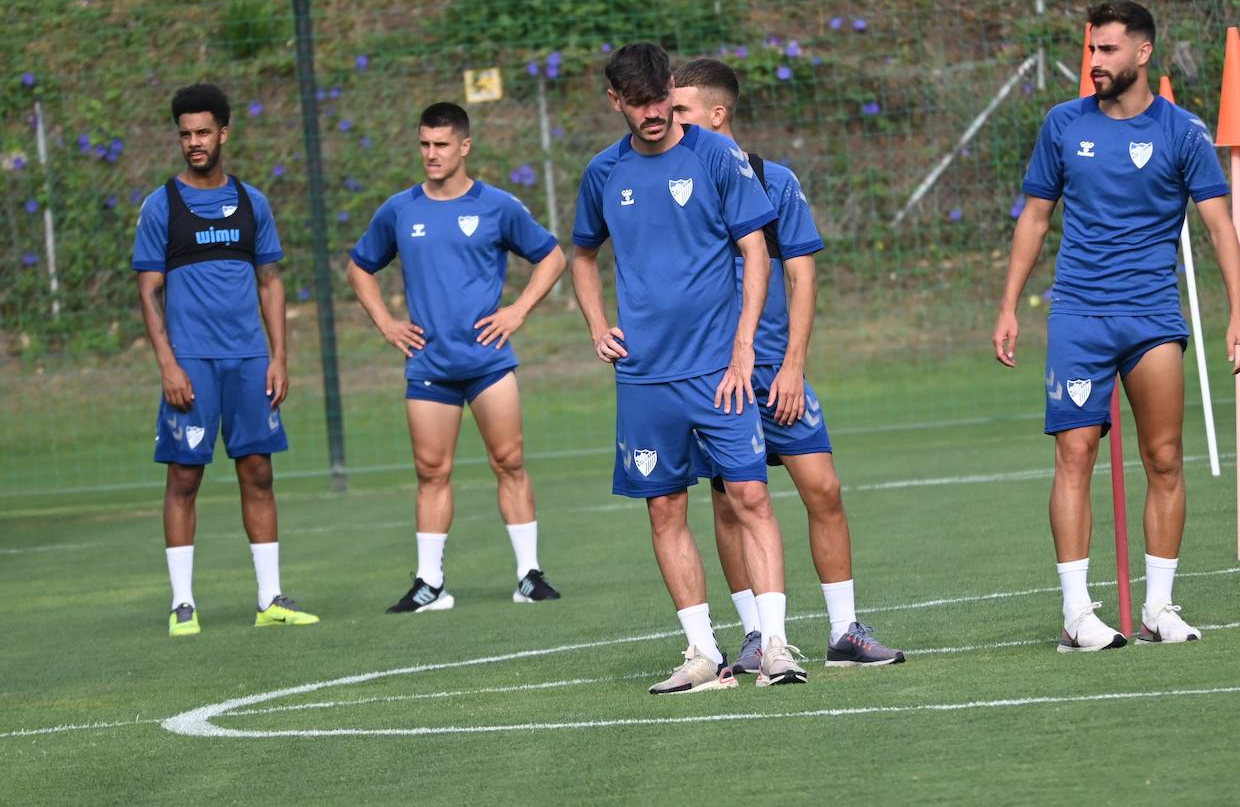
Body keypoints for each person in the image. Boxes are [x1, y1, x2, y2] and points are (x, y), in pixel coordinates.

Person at [993, 1, 1240, 652]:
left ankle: (1158, 606)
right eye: (1091, 51)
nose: (1095, 63)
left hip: (1152, 318)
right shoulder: (1062, 125)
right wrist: (1007, 305)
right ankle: (1077, 613)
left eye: (1107, 51)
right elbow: (1033, 218)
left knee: (1164, 457)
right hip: (1079, 316)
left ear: (1142, 53)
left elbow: (1220, 226)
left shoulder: (1184, 132)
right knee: (1073, 454)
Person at [570, 43, 807, 694]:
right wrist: (597, 325)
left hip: (718, 371)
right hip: (645, 378)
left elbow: (755, 253)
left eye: (659, 98)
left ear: (672, 87)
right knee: (664, 510)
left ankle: (777, 647)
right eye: (637, 102)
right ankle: (703, 654)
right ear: (615, 101)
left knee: (751, 496)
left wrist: (742, 349)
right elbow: (582, 255)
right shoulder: (603, 173)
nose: (652, 113)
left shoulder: (716, 156)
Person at [671, 58, 905, 671]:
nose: (669, 122)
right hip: (712, 376)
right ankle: (754, 635)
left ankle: (844, 630)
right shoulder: (674, 185)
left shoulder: (772, 180)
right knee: (729, 501)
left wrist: (794, 366)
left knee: (822, 489)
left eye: (681, 111)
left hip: (775, 368)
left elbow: (801, 274)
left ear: (717, 114)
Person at [347, 102, 566, 613]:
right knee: (430, 471)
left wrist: (517, 311)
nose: (431, 153)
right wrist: (385, 323)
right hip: (429, 366)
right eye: (424, 144)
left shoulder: (498, 206)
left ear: (464, 146)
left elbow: (552, 257)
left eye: (441, 144)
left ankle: (529, 575)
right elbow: (360, 268)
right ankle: (429, 584)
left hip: (489, 364)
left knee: (509, 461)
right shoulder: (400, 210)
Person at [132, 83, 319, 637]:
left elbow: (271, 282)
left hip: (248, 361)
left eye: (203, 132)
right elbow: (149, 291)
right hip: (191, 362)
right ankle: (183, 604)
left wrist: (279, 356)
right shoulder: (161, 206)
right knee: (185, 476)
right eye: (185, 134)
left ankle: (270, 598)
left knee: (258, 472)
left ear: (224, 133)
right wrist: (168, 364)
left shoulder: (252, 203)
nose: (194, 142)